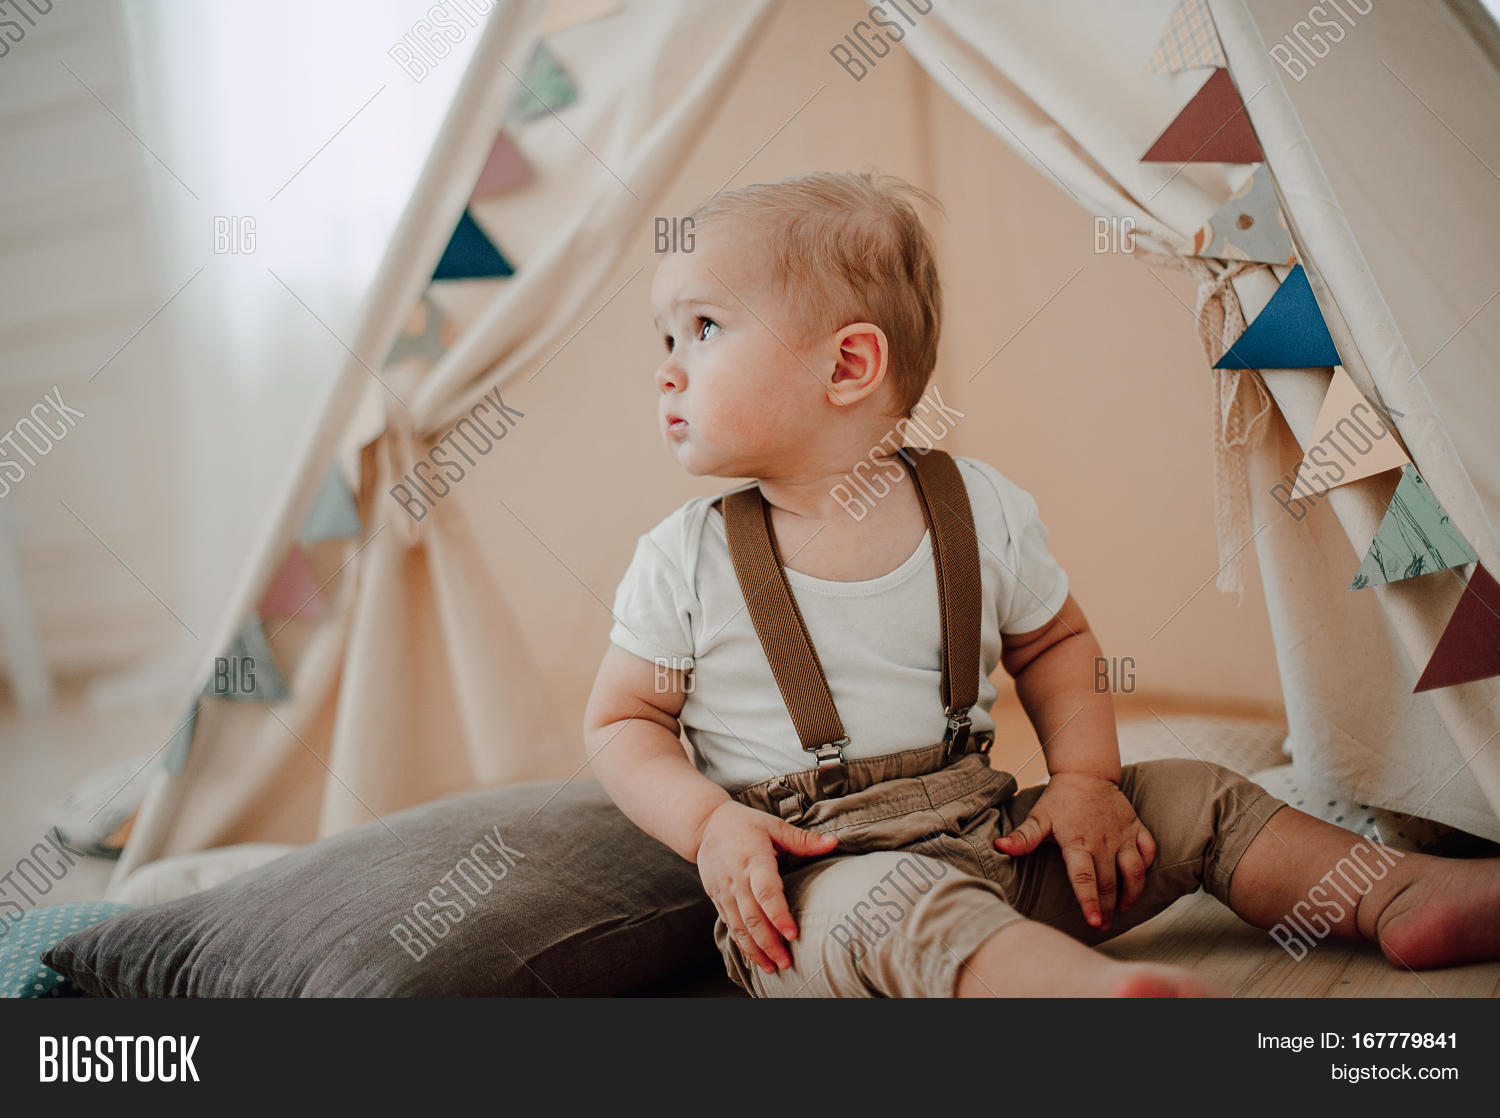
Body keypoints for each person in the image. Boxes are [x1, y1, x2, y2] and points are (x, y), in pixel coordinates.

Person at [583, 171, 1499, 997]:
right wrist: (708, 825)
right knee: (903, 910)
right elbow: (625, 722)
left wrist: (1087, 780)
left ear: (849, 365)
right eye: (664, 335)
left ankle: (1393, 892)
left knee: (1192, 797)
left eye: (702, 329)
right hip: (817, 893)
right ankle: (1067, 995)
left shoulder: (978, 507)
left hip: (1000, 846)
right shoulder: (684, 560)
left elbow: (1056, 645)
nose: (665, 367)